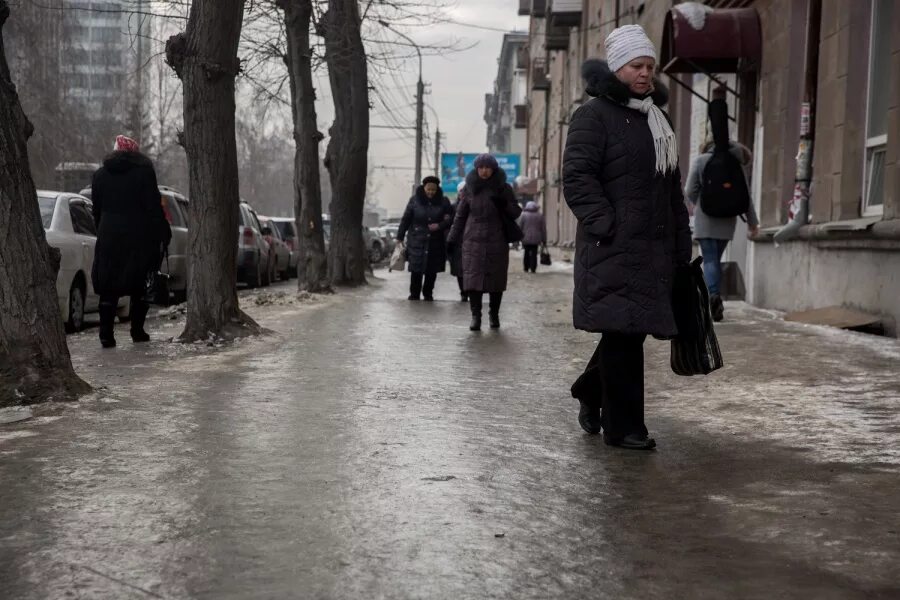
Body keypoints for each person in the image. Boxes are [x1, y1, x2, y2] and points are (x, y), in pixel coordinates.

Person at [562, 25, 692, 450]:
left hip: (654, 247)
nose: (646, 74)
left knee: (629, 331)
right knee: (623, 334)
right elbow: (578, 179)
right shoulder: (593, 115)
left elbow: (670, 186)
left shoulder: (658, 120)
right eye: (637, 66)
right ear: (617, 67)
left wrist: (680, 238)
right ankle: (624, 429)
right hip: (613, 246)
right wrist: (608, 226)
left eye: (650, 67)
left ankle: (589, 390)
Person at [685, 88, 760, 322]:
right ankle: (714, 295)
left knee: (708, 259)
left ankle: (713, 296)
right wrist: (753, 224)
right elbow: (745, 196)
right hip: (727, 220)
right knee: (715, 258)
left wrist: (702, 204)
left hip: (706, 219)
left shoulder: (701, 161)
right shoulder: (736, 163)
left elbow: (689, 190)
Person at [91, 135, 171, 348]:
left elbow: (96, 210)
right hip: (139, 237)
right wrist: (163, 232)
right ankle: (137, 331)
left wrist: (103, 228)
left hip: (109, 236)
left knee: (108, 286)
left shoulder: (99, 175)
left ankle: (106, 335)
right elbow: (153, 207)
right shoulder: (144, 173)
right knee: (139, 286)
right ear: (135, 153)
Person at [448, 153, 522, 331]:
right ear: (476, 169)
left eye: (487, 167)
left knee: (496, 280)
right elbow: (460, 215)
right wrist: (451, 237)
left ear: (493, 169)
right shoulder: (469, 188)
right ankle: (476, 316)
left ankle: (494, 314)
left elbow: (516, 212)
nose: (484, 171)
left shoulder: (504, 188)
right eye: (481, 167)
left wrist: (503, 204)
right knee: (473, 280)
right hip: (472, 240)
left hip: (497, 239)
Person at [396, 176, 453, 301]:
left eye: (433, 190)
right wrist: (399, 236)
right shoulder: (414, 200)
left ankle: (428, 293)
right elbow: (406, 219)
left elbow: (450, 220)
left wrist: (439, 225)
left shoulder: (444, 201)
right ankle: (414, 294)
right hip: (417, 239)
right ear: (424, 187)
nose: (431, 192)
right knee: (416, 268)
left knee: (431, 270)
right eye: (428, 189)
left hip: (435, 241)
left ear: (437, 189)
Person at [448, 181, 468, 302]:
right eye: (461, 191)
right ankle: (463, 292)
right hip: (457, 242)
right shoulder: (453, 207)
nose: (463, 193)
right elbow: (450, 223)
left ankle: (469, 291)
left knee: (470, 269)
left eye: (465, 191)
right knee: (459, 270)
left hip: (470, 240)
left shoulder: (473, 205)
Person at [518, 201, 547, 273]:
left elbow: (520, 227)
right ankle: (533, 268)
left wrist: (519, 237)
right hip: (536, 239)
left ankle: (526, 267)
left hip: (525, 238)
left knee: (526, 253)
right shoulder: (540, 216)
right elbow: (543, 229)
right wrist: (544, 239)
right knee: (534, 253)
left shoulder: (523, 215)